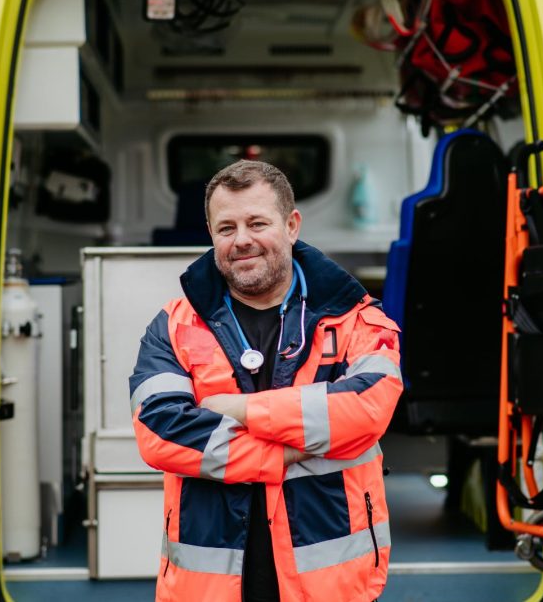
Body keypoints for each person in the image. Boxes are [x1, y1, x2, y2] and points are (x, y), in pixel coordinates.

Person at [129, 160, 403, 602]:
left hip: (329, 586)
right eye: (226, 228)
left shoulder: (358, 319)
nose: (242, 241)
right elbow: (159, 433)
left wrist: (240, 409)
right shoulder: (173, 326)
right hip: (208, 588)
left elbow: (368, 409)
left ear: (292, 225)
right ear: (211, 234)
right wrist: (291, 450)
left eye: (257, 223)